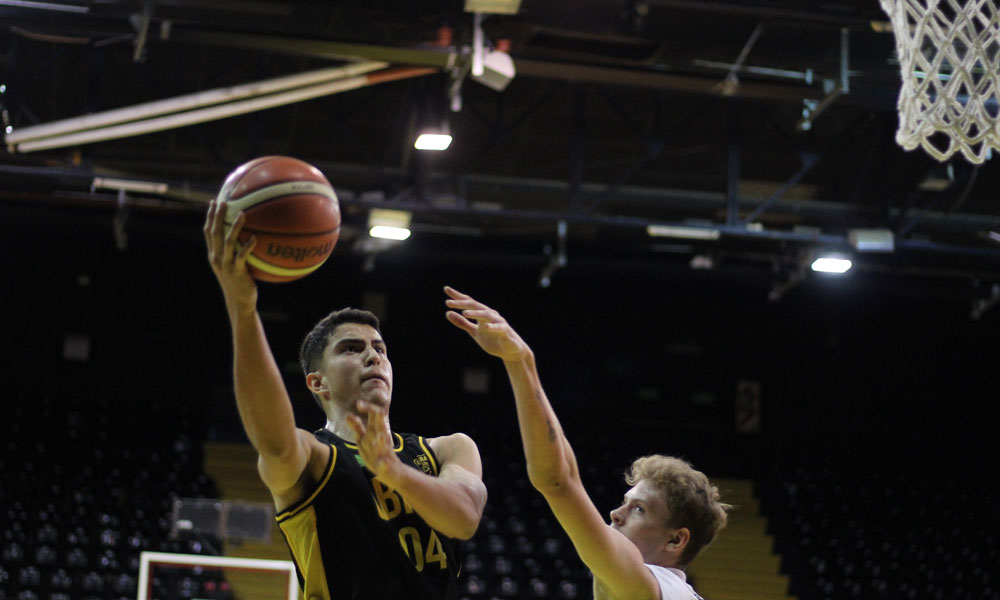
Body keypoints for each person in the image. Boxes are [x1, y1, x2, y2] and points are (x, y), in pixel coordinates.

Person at [203, 201, 487, 600]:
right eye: (352, 349)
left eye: (380, 348)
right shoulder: (314, 456)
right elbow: (273, 441)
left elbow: (465, 517)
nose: (373, 356)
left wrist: (392, 470)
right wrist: (243, 307)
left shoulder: (446, 450)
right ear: (317, 383)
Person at [444, 286, 730, 600]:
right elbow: (565, 465)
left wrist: (519, 361)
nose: (615, 514)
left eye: (639, 509)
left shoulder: (651, 587)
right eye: (626, 501)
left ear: (675, 541)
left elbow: (558, 481)